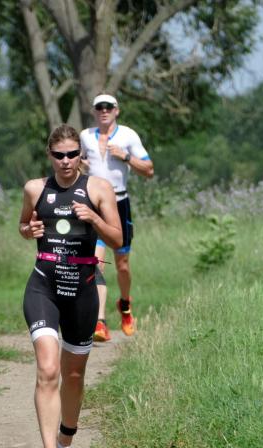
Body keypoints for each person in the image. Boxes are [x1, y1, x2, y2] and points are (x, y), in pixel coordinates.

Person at [19, 124, 122, 448]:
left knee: (74, 375)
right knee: (48, 369)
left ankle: (65, 444)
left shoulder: (99, 188)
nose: (65, 161)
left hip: (82, 290)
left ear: (81, 155)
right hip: (43, 287)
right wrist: (28, 231)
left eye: (72, 154)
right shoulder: (35, 189)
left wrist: (93, 218)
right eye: (59, 155)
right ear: (50, 155)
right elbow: (24, 225)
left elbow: (117, 238)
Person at [79, 93, 154, 341]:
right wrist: (80, 165)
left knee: (122, 265)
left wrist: (126, 157)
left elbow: (149, 170)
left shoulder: (128, 136)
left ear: (116, 110)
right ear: (93, 111)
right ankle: (99, 321)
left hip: (120, 203)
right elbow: (76, 163)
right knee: (96, 262)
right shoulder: (85, 136)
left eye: (108, 107)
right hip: (94, 204)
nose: (104, 110)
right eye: (99, 107)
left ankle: (125, 305)